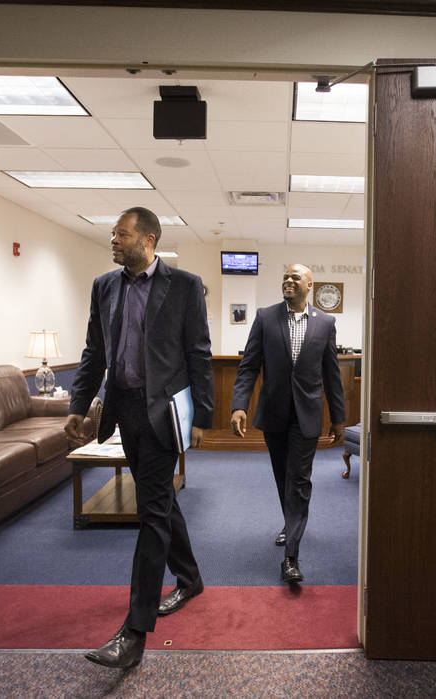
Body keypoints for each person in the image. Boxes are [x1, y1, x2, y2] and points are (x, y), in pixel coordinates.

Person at [64, 206, 214, 669]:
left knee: (149, 515)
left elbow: (198, 354)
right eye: (113, 233)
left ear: (148, 240)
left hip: (164, 413)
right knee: (159, 500)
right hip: (124, 411)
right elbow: (95, 350)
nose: (114, 239)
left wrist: (202, 417)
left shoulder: (184, 286)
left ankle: (134, 632)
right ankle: (189, 578)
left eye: (122, 234)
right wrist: (78, 405)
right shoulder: (104, 286)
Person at [230, 263, 345, 585]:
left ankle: (291, 557)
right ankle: (290, 522)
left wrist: (338, 416)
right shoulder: (266, 317)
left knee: (299, 480)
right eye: (285, 277)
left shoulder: (326, 323)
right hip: (274, 413)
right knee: (283, 476)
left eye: (296, 277)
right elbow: (249, 366)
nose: (289, 281)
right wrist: (239, 405)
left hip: (307, 414)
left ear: (310, 285)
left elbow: (331, 374)